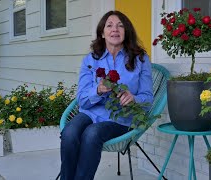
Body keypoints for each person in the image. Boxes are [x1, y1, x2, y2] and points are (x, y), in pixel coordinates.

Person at [60, 10, 153, 180]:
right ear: (102, 33)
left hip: (121, 118)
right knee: (69, 133)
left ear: (127, 31)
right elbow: (82, 99)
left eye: (120, 25)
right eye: (109, 26)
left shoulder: (140, 59)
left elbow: (148, 98)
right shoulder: (91, 59)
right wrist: (97, 90)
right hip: (91, 112)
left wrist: (134, 98)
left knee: (91, 134)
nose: (115, 29)